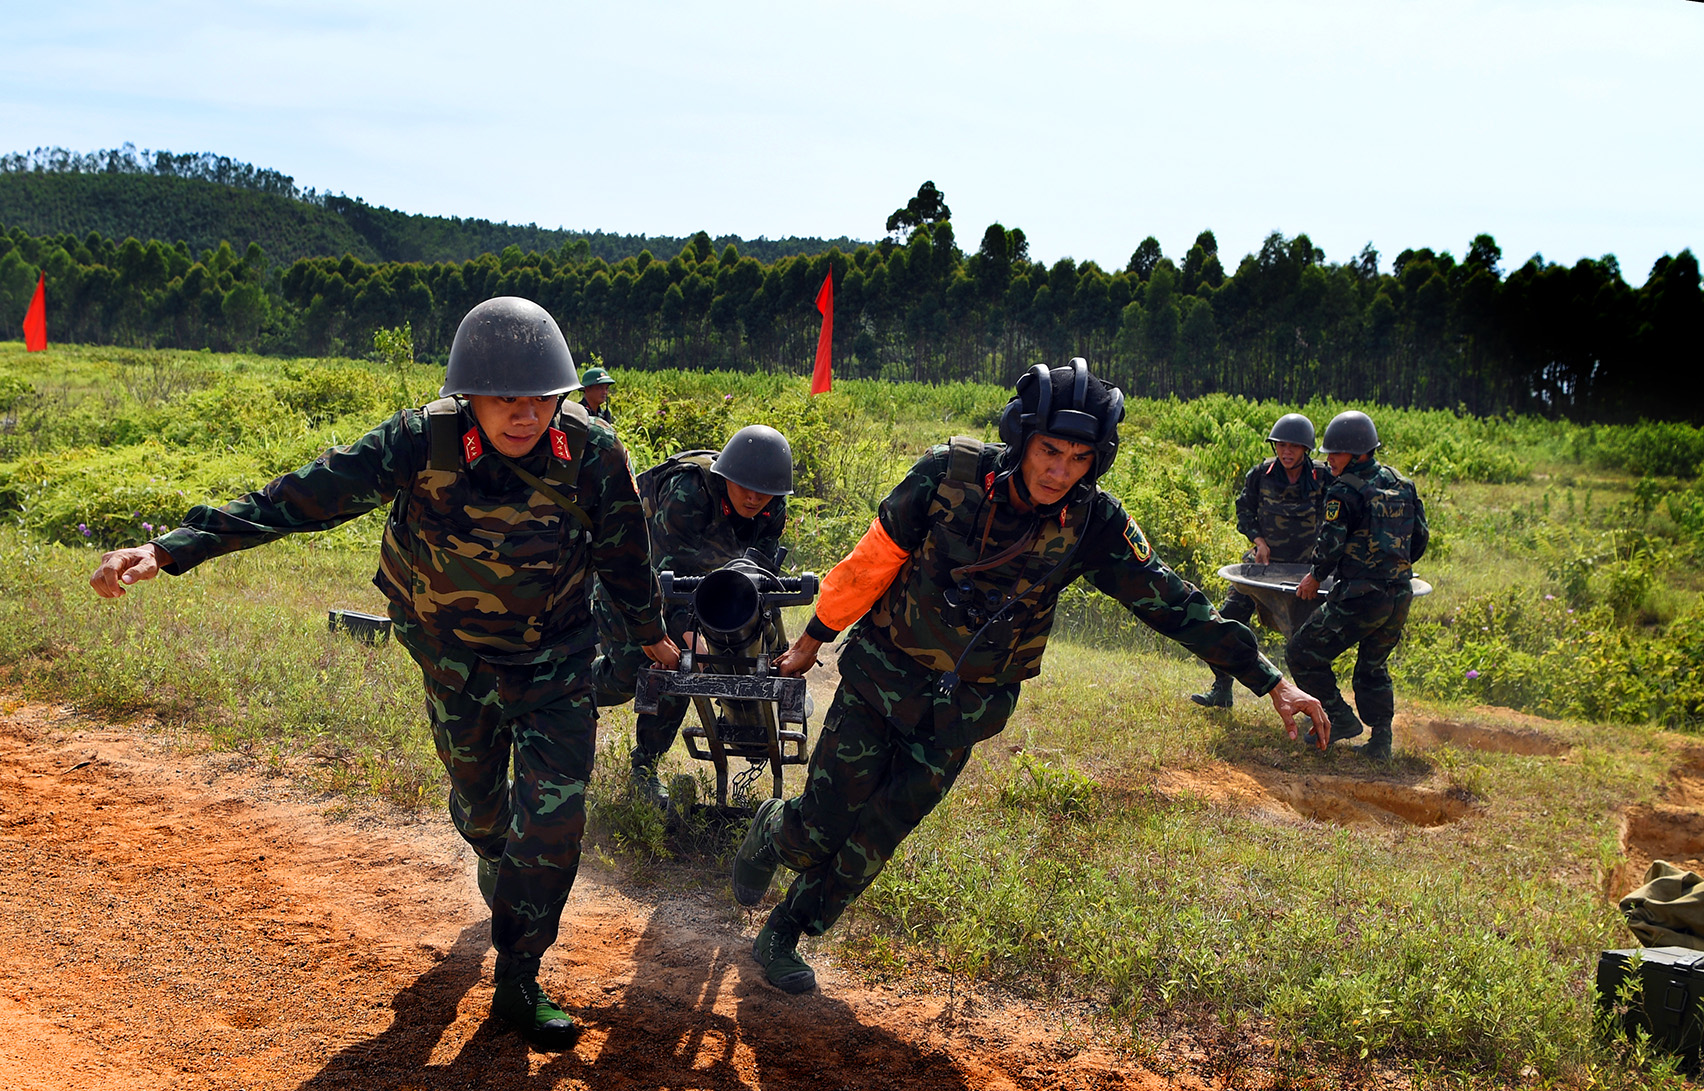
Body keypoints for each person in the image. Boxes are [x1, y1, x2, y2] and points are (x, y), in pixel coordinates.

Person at [88, 298, 678, 1050]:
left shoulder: (594, 453)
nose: (524, 415)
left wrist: (651, 633)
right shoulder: (418, 441)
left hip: (555, 656)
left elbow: (626, 554)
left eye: (541, 398)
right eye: (504, 398)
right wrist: (171, 550)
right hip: (451, 656)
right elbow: (300, 498)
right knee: (486, 817)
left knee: (555, 821)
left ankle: (519, 975)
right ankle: (501, 864)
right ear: (469, 396)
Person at [729, 359, 1332, 994]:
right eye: (1049, 451)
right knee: (818, 829)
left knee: (874, 839)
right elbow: (875, 557)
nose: (1059, 471)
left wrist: (1272, 681)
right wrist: (813, 637)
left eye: (1078, 458)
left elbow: (1172, 602)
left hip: (962, 711)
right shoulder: (948, 476)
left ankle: (787, 931)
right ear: (1022, 439)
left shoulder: (1094, 522)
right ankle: (773, 831)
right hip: (881, 680)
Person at [591, 424, 794, 807]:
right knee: (630, 672)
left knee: (689, 665)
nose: (753, 497)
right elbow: (664, 577)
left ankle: (644, 767)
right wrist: (688, 632)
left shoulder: (772, 509)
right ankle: (558, 697)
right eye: (744, 486)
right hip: (632, 586)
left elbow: (759, 575)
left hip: (702, 592)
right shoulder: (689, 493)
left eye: (764, 491)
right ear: (725, 477)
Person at [1290, 410, 1429, 760]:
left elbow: (1331, 544)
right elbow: (1420, 540)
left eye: (1335, 453)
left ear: (1359, 453)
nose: (1329, 459)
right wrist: (1394, 568)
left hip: (1360, 596)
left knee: (1302, 652)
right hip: (1398, 595)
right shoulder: (1402, 484)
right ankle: (1381, 741)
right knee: (1373, 666)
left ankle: (1338, 719)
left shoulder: (1344, 490)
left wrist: (1315, 576)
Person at [1191, 412, 1322, 708]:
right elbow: (1244, 510)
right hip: (1264, 564)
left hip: (1306, 571)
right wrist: (1258, 541)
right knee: (1226, 620)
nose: (1286, 452)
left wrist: (1323, 561)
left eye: (1294, 446)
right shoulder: (1261, 474)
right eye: (1281, 445)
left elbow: (1337, 518)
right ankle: (1222, 688)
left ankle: (1315, 703)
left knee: (1308, 641)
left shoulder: (1321, 477)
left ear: (1306, 450)